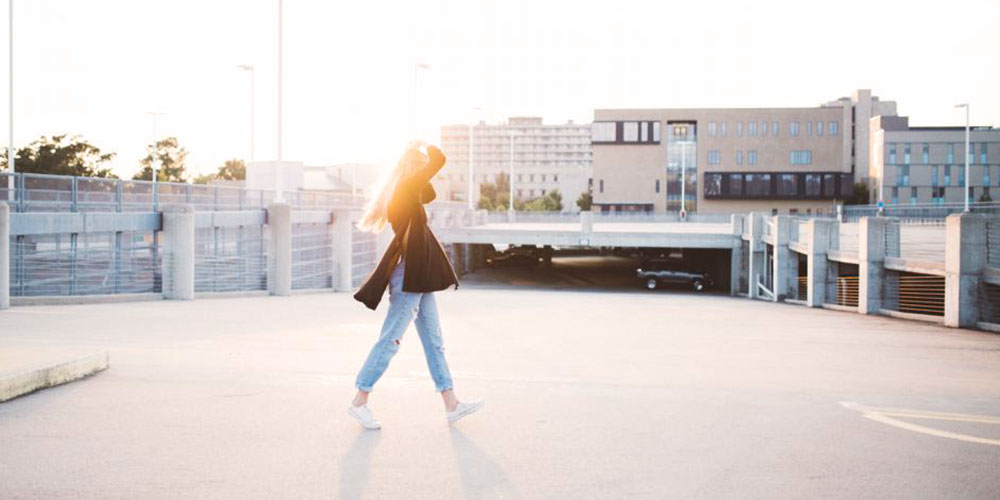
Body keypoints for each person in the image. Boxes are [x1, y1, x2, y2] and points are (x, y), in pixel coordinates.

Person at [348, 143, 484, 430]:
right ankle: (360, 400)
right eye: (420, 168)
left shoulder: (410, 192)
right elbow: (440, 159)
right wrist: (423, 145)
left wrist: (421, 168)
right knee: (390, 340)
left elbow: (430, 192)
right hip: (409, 278)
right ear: (412, 168)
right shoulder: (404, 191)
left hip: (419, 279)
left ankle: (451, 404)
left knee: (434, 342)